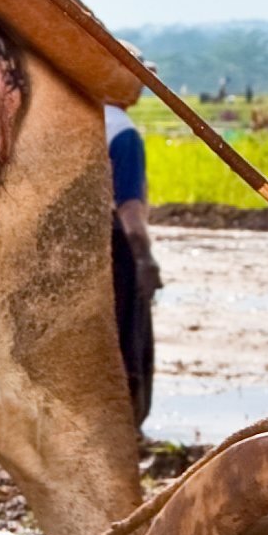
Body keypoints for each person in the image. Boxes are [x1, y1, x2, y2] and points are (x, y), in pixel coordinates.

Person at [105, 105, 158, 422]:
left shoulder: (69, 116)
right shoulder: (121, 132)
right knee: (128, 341)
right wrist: (144, 258)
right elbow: (130, 208)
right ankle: (126, 426)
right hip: (116, 247)